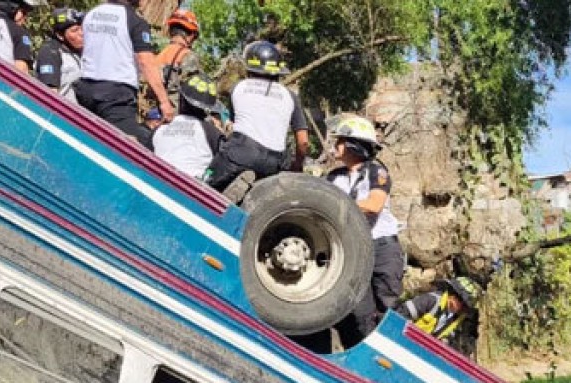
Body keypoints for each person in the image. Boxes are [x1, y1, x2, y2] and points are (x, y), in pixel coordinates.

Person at [325, 114, 403, 346]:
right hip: (352, 249)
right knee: (357, 312)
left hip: (381, 248)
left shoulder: (376, 172)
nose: (335, 146)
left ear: (353, 145)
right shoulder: (334, 177)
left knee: (387, 308)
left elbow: (374, 205)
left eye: (339, 141)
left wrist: (336, 202)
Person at [205, 41, 309, 194]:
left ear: (249, 69)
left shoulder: (238, 88)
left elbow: (234, 125)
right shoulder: (290, 96)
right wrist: (298, 164)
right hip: (274, 163)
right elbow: (303, 141)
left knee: (205, 187)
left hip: (241, 152)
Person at [76, 0, 173, 144]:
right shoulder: (135, 21)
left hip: (85, 89)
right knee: (127, 146)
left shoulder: (91, 15)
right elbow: (145, 61)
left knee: (87, 140)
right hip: (116, 97)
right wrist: (164, 102)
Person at [152, 73, 224, 179]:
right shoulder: (212, 133)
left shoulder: (160, 129)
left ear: (181, 100)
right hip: (192, 189)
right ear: (207, 109)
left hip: (157, 183)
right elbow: (223, 164)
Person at [396, 277, 481, 342]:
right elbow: (400, 314)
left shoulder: (456, 319)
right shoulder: (431, 300)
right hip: (402, 338)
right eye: (463, 305)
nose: (463, 309)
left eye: (466, 307)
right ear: (453, 296)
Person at [152, 8, 202, 111]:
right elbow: (195, 94)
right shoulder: (187, 56)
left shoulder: (157, 57)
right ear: (191, 35)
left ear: (171, 31)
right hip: (177, 117)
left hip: (156, 117)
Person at [34, 7, 84, 102]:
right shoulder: (50, 53)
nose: (81, 33)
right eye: (75, 30)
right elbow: (50, 95)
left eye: (82, 28)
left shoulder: (79, 51)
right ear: (60, 35)